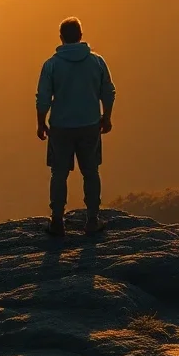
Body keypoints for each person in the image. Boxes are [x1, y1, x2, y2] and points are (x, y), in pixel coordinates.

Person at [35, 17, 116, 236]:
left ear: (61, 37)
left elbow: (43, 98)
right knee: (91, 172)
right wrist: (106, 117)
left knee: (59, 173)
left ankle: (57, 221)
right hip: (90, 125)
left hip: (60, 127)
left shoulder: (51, 65)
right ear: (81, 36)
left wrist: (41, 123)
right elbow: (108, 92)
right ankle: (92, 219)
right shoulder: (97, 62)